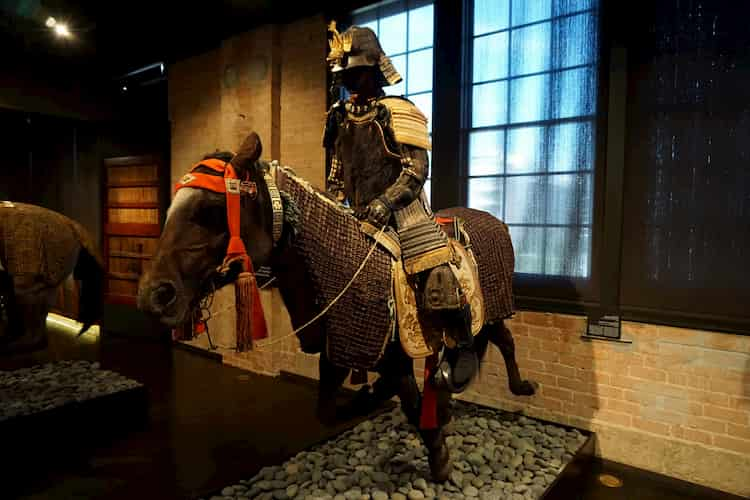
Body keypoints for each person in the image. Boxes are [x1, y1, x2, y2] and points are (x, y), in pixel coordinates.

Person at [323, 22, 477, 393]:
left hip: (403, 211)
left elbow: (416, 171)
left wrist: (384, 203)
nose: (349, 81)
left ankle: (462, 346)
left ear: (374, 69)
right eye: (345, 74)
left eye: (356, 72)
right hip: (355, 212)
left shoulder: (399, 111)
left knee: (435, 265)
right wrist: (331, 201)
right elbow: (337, 169)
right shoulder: (339, 115)